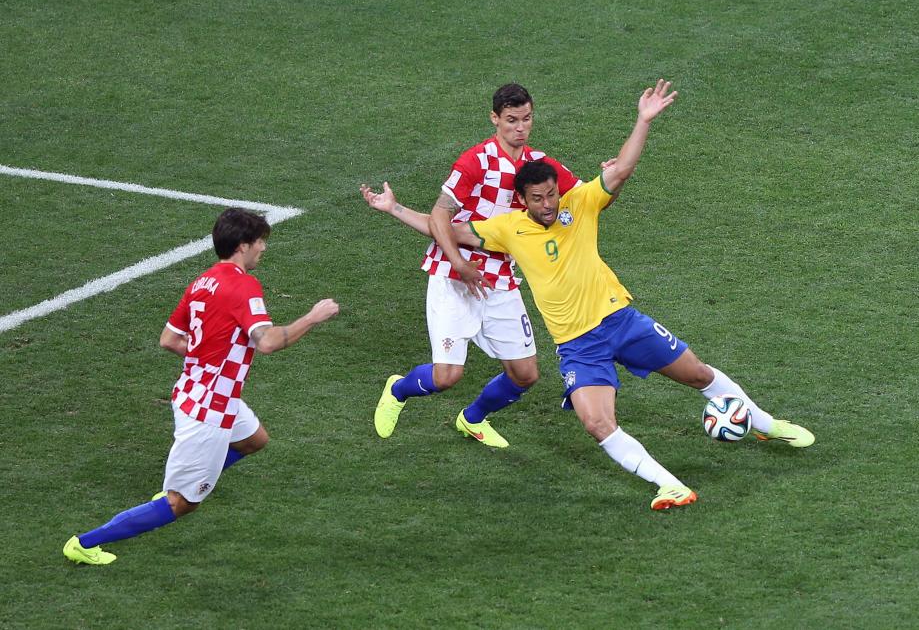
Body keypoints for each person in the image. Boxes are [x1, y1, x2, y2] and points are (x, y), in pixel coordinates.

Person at [374, 80, 815, 510]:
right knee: (596, 422)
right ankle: (670, 486)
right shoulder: (505, 227)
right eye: (539, 198)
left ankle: (767, 424)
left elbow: (618, 171)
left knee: (697, 374)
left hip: (622, 320)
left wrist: (642, 121)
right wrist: (395, 210)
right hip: (577, 346)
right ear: (521, 200)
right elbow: (445, 225)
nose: (548, 204)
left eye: (552, 195)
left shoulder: (577, 204)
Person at [63, 208, 340, 564]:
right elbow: (268, 342)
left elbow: (169, 339)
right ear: (243, 246)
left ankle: (191, 477)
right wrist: (313, 317)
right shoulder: (243, 285)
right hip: (210, 410)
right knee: (182, 504)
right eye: (260, 242)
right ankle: (86, 542)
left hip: (196, 391)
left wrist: (208, 360)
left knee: (255, 439)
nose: (263, 249)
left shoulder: (201, 282)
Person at [360, 83, 584, 448]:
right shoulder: (475, 162)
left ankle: (472, 419)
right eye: (511, 120)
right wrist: (460, 263)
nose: (520, 127)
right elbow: (439, 216)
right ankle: (398, 389)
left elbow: (586, 196)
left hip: (499, 279)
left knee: (525, 374)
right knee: (447, 375)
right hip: (454, 277)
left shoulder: (540, 166)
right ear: (495, 118)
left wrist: (608, 179)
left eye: (526, 119)